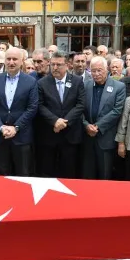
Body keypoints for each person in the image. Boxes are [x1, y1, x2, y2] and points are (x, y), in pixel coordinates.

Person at [0, 47, 39, 176]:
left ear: (22, 61)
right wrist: (0, 127)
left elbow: (32, 108)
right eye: (8, 59)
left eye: (15, 59)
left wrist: (16, 127)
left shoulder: (31, 82)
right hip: (0, 136)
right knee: (2, 174)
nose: (11, 62)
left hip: (22, 137)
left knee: (23, 174)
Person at [36, 51, 85, 179]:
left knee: (69, 172)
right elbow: (40, 105)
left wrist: (64, 122)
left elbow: (80, 104)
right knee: (47, 172)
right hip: (49, 134)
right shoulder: (42, 83)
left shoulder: (77, 81)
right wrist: (55, 121)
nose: (55, 68)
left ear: (68, 65)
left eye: (59, 64)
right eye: (53, 64)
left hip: (70, 135)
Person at [81, 56, 126, 180]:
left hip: (105, 138)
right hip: (88, 138)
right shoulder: (85, 85)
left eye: (99, 70)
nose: (96, 74)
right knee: (87, 176)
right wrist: (86, 125)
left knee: (105, 176)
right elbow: (79, 108)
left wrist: (98, 126)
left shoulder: (119, 87)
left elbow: (117, 111)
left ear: (107, 69)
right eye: (93, 70)